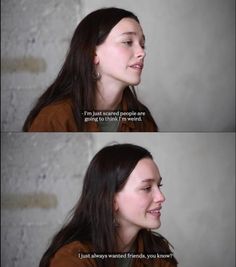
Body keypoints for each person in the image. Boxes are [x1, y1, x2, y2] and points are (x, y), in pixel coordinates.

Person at [39, 143, 177, 267]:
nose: (161, 197)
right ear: (111, 200)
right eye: (147, 188)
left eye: (159, 185)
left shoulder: (158, 251)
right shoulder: (73, 260)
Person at [23, 7, 158, 132]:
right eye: (128, 42)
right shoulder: (54, 119)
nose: (142, 52)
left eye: (142, 45)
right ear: (93, 54)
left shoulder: (143, 120)